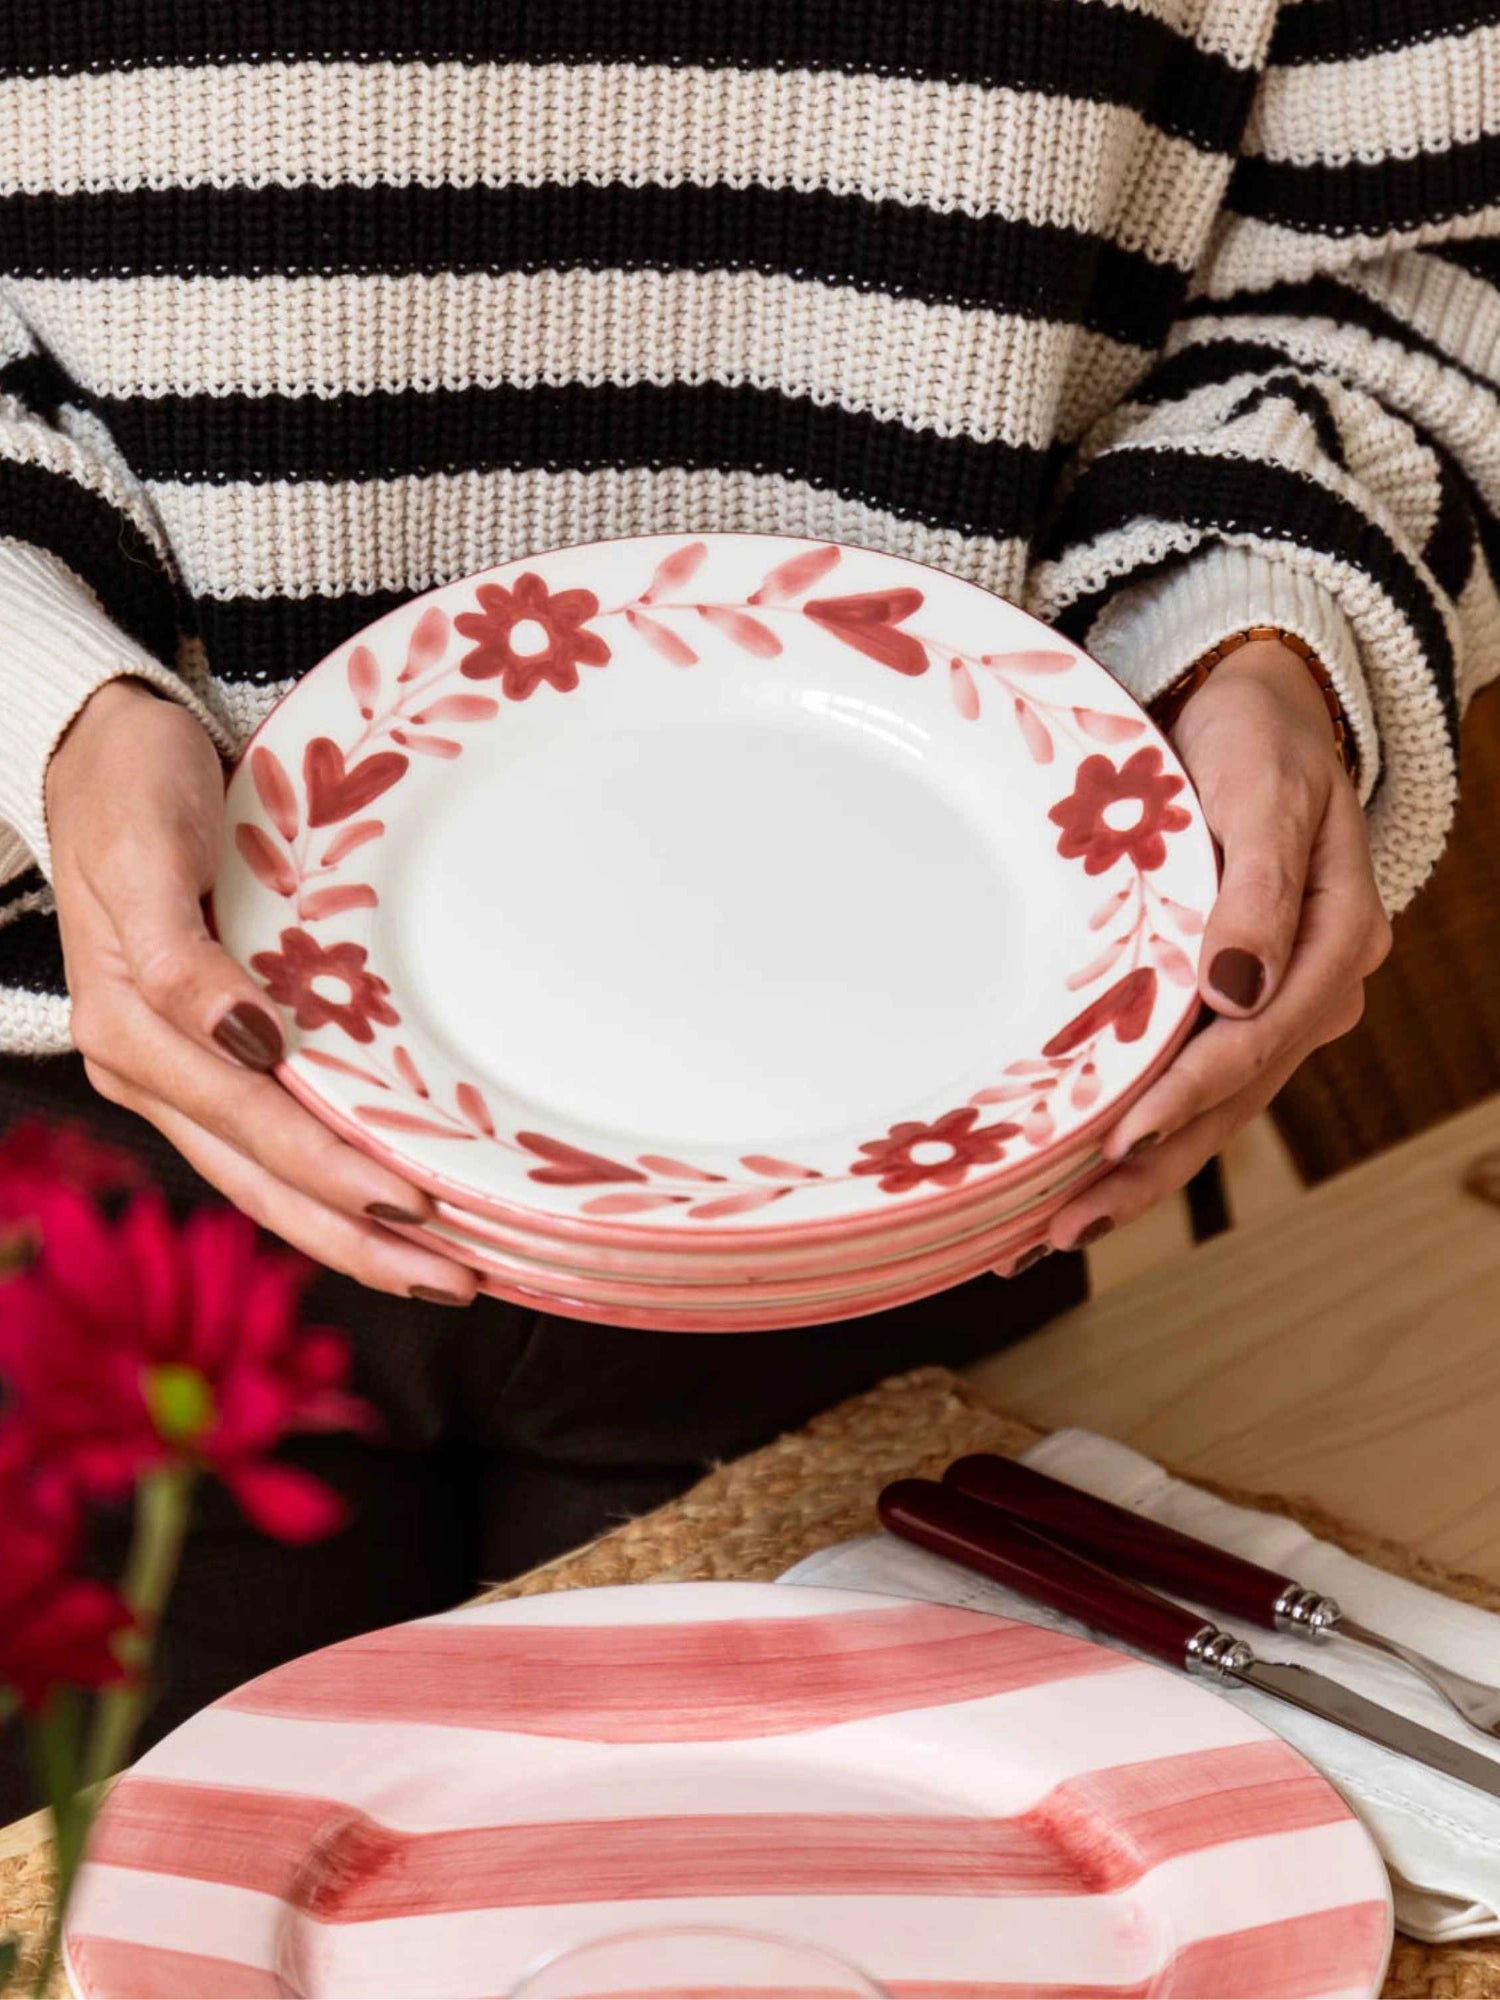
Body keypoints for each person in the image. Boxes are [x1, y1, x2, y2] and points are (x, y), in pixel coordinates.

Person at [0, 4, 1493, 1809]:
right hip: (99, 1141)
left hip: (931, 1140)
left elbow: (1428, 259)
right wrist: (38, 697)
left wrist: (1263, 620)